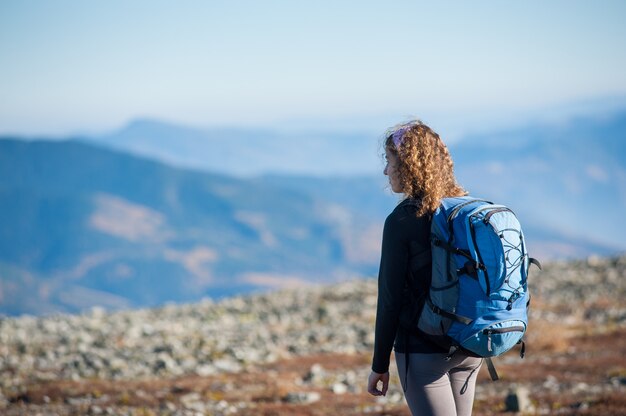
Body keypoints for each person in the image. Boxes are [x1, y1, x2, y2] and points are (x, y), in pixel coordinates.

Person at [366, 120, 483, 416]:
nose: (385, 171)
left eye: (389, 162)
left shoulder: (402, 221)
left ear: (407, 166)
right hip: (470, 345)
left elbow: (390, 300)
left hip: (423, 351)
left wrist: (379, 365)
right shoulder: (462, 210)